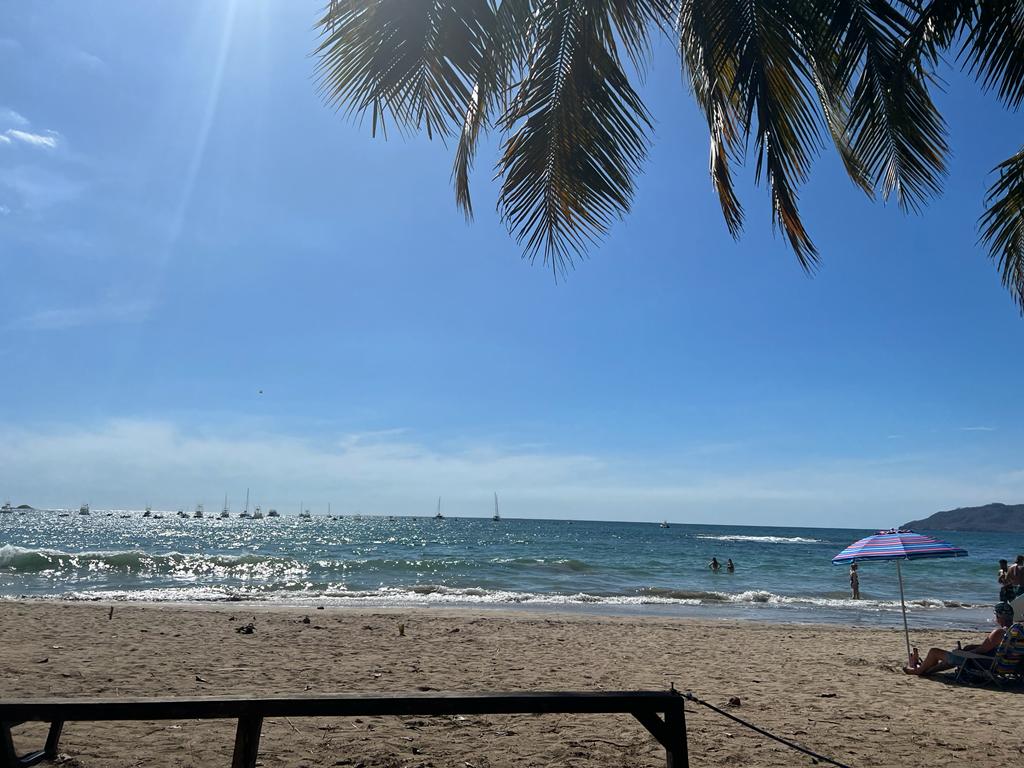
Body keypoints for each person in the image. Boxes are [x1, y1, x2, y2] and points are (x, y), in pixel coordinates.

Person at [903, 602, 1015, 676]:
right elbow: (994, 648)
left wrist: (962, 653)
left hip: (982, 663)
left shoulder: (999, 632)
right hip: (1006, 664)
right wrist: (968, 648)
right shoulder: (1015, 632)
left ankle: (917, 670)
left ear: (999, 616)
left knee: (934, 652)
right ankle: (924, 669)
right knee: (960, 652)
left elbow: (982, 651)